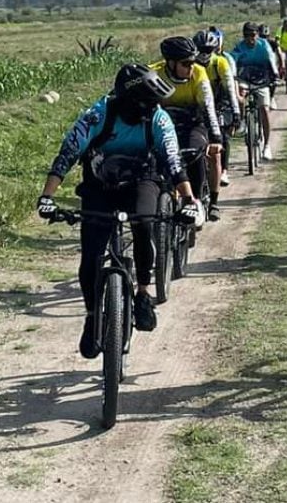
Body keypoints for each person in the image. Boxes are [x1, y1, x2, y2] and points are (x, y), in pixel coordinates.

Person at [38, 64, 201, 358]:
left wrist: (189, 201)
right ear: (132, 99)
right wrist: (47, 197)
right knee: (90, 255)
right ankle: (92, 316)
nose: (156, 107)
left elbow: (174, 163)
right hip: (100, 183)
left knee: (143, 224)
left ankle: (142, 292)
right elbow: (67, 154)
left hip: (142, 179)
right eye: (150, 102)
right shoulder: (99, 114)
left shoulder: (158, 119)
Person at [148, 36, 225, 219]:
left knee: (197, 152)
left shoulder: (199, 73)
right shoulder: (153, 73)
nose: (191, 67)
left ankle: (201, 201)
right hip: (163, 125)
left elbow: (208, 107)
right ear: (171, 63)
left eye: (193, 62)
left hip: (193, 124)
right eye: (186, 63)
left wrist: (216, 138)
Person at [194, 29, 241, 213]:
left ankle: (221, 176)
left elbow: (230, 88)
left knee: (220, 140)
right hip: (197, 108)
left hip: (218, 104)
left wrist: (236, 112)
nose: (205, 53)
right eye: (201, 49)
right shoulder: (190, 65)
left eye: (209, 49)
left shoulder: (220, 62)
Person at [229, 21, 277, 161]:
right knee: (240, 94)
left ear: (258, 35)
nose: (250, 38)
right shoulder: (239, 47)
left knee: (264, 109)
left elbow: (271, 58)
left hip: (262, 79)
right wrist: (231, 76)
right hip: (244, 78)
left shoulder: (264, 45)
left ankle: (267, 146)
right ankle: (243, 120)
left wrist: (275, 73)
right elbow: (232, 60)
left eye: (253, 35)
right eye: (247, 35)